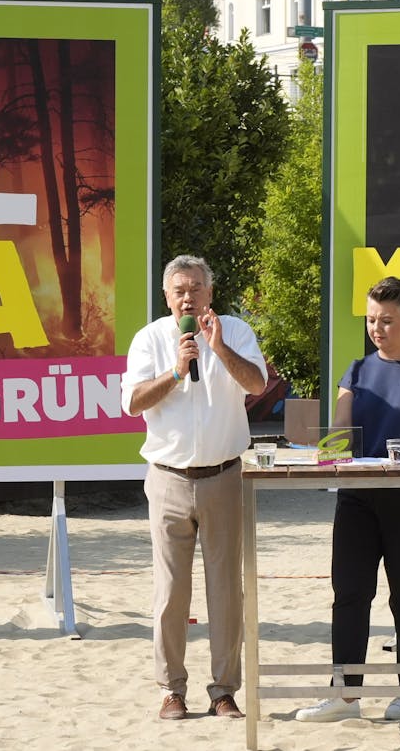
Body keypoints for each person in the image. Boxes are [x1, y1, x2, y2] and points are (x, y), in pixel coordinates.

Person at [293, 276, 400, 724]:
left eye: (387, 320)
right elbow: (339, 438)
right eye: (371, 319)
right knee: (349, 594)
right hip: (358, 497)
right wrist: (317, 445)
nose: (377, 328)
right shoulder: (357, 371)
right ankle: (344, 695)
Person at [121, 255, 269, 722]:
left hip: (224, 475)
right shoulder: (150, 339)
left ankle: (224, 690)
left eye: (197, 288)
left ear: (211, 292)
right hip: (167, 478)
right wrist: (176, 371)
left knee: (227, 590)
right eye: (180, 290)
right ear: (167, 297)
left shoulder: (236, 332)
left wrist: (217, 348)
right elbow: (131, 403)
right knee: (170, 592)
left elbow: (257, 384)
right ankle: (172, 690)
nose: (189, 297)